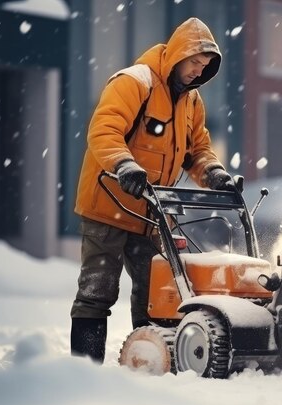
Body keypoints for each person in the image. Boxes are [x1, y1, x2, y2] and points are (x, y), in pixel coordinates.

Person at [70, 17, 234, 363]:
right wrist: (124, 165)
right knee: (97, 289)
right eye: (193, 62)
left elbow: (197, 150)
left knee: (158, 292)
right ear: (177, 54)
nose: (196, 72)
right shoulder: (135, 82)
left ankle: (148, 364)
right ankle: (83, 371)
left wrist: (214, 173)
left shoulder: (192, 101)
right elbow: (104, 130)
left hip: (151, 212)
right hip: (109, 204)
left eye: (203, 67)